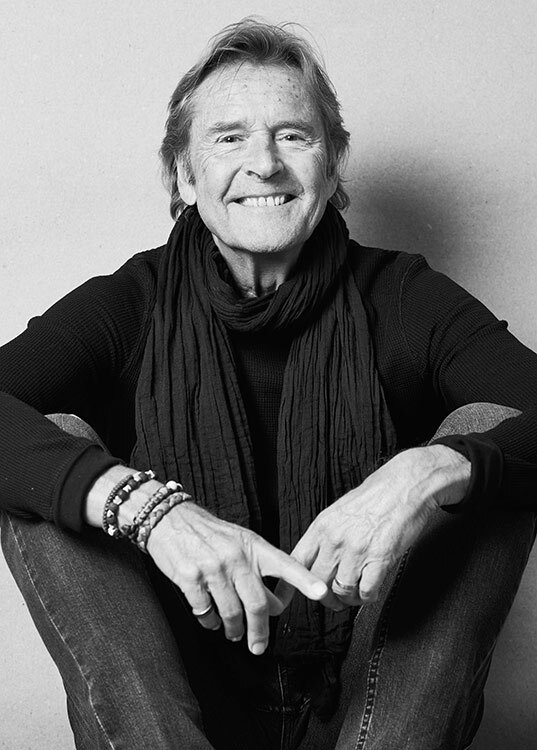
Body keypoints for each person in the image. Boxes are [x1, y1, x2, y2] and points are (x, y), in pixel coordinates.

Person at [1, 17, 537, 750]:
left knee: (484, 444)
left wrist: (428, 472)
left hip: (368, 707)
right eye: (228, 138)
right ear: (185, 176)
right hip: (180, 708)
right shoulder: (132, 303)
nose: (264, 164)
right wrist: (150, 509)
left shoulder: (403, 297)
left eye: (294, 135)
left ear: (331, 169)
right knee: (47, 453)